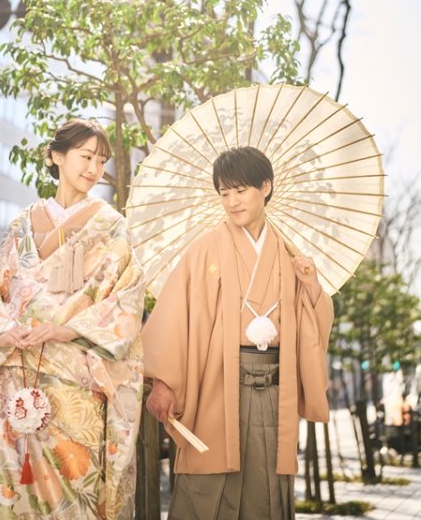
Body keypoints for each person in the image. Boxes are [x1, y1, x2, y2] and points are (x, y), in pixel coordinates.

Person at [0, 119, 145, 520]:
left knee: (71, 483)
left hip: (75, 373)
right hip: (14, 370)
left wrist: (68, 328)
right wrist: (1, 330)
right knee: (5, 481)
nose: (94, 168)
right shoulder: (22, 222)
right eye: (86, 157)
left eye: (101, 161)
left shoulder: (111, 226)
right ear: (56, 156)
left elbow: (127, 296)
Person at [143, 146, 334, 520]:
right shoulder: (204, 249)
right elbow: (175, 316)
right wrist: (163, 382)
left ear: (266, 187)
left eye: (241, 190)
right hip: (216, 382)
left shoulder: (290, 255)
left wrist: (311, 286)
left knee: (266, 489)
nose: (232, 202)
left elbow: (315, 323)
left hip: (274, 388)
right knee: (207, 483)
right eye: (224, 193)